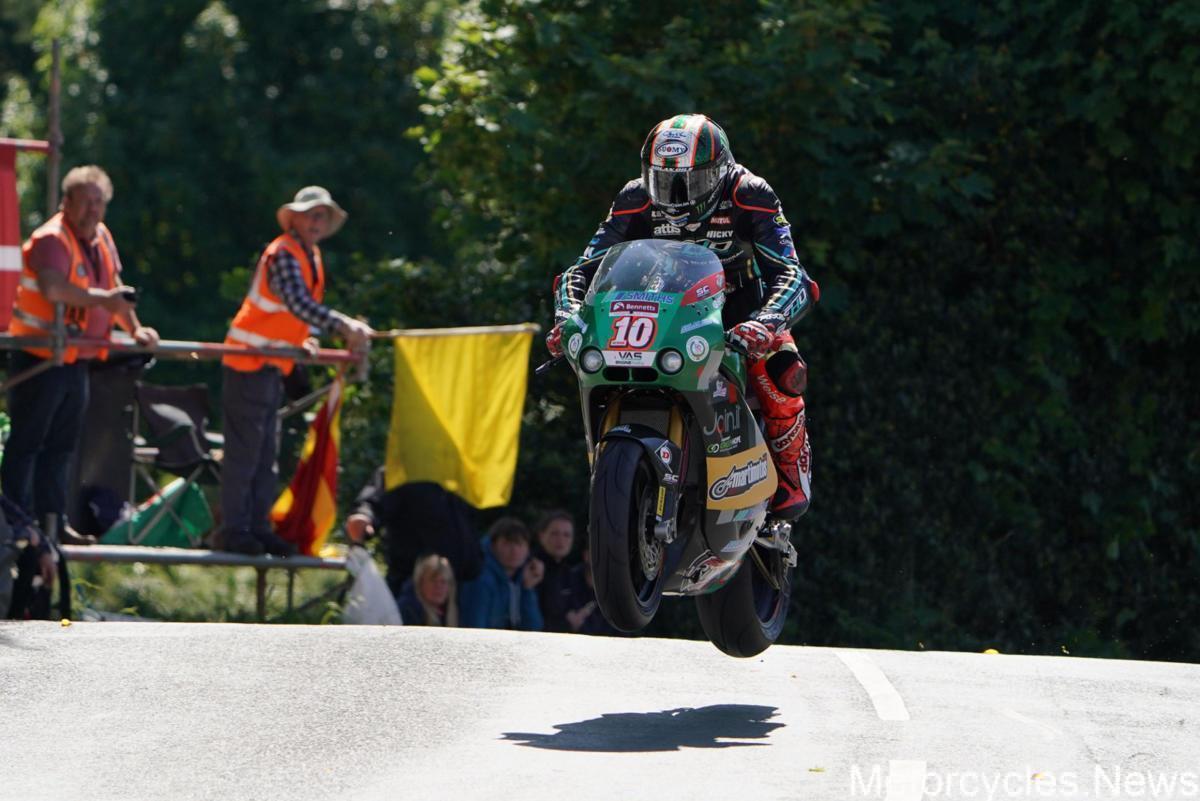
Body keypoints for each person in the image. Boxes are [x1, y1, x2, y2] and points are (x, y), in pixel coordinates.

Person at [548, 115, 819, 520]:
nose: (675, 197)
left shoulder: (750, 194)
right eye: (662, 182)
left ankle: (789, 476)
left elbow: (793, 273)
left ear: (720, 171)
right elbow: (582, 269)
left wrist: (767, 321)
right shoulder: (634, 198)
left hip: (741, 310)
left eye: (691, 183)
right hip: (663, 309)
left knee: (781, 369)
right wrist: (567, 316)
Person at [3, 165, 158, 543]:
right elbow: (54, 289)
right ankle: (16, 522)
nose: (93, 209)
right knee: (27, 444)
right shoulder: (51, 238)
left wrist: (135, 329)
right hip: (40, 358)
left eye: (99, 201)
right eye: (86, 201)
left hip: (74, 359)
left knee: (61, 447)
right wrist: (104, 300)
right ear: (66, 202)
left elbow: (115, 288)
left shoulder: (101, 237)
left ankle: (53, 524)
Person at [220, 186, 373, 556]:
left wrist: (305, 339)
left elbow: (294, 314)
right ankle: (234, 531)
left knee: (265, 455)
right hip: (248, 362)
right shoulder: (284, 254)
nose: (317, 222)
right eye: (311, 214)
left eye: (322, 216)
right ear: (295, 219)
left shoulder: (308, 255)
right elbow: (296, 302)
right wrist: (344, 326)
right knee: (246, 454)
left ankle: (257, 528)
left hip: (270, 364)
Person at [345, 469, 483, 597]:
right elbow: (374, 500)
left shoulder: (463, 471)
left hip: (462, 589)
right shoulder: (407, 468)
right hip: (414, 589)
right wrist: (363, 514)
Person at [458, 517, 544, 631]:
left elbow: (533, 628)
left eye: (520, 544)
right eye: (507, 544)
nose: (514, 550)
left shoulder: (521, 577)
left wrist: (527, 589)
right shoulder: (480, 579)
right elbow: (474, 627)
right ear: (493, 546)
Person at [531, 510, 577, 633]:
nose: (560, 540)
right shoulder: (531, 567)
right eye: (554, 534)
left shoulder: (568, 572)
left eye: (567, 535)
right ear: (541, 536)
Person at [396, 553, 459, 627]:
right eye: (433, 580)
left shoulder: (449, 612)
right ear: (420, 582)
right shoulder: (407, 611)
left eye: (443, 582)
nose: (438, 586)